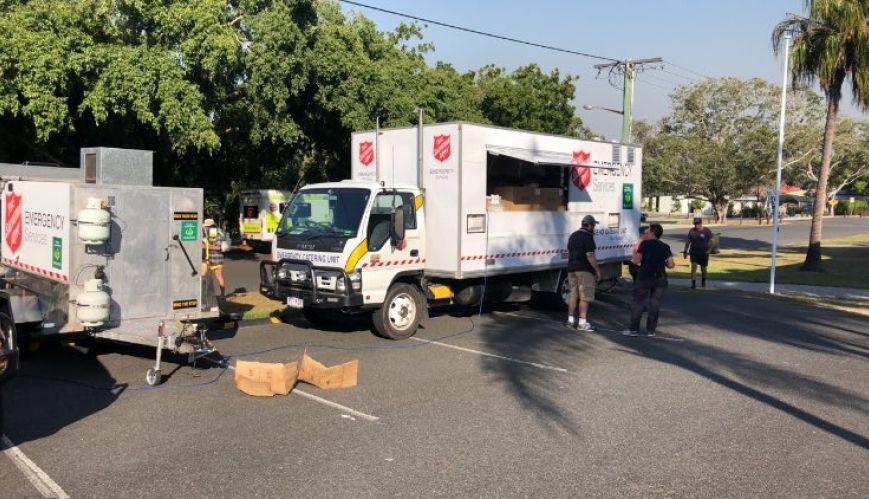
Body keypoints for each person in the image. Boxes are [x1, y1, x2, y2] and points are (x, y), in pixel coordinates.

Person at [624, 223, 675, 337]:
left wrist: (631, 261)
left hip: (645, 277)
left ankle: (634, 329)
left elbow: (637, 261)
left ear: (652, 232)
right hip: (660, 278)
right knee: (655, 304)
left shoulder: (645, 244)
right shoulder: (665, 246)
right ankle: (651, 330)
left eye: (648, 230)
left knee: (638, 302)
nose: (646, 232)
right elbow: (671, 264)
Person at [566, 215, 601, 332]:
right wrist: (597, 270)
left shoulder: (573, 235)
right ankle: (582, 322)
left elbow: (570, 251)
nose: (594, 228)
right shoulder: (588, 237)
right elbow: (590, 255)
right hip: (584, 270)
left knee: (573, 294)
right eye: (594, 225)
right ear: (590, 225)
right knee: (585, 296)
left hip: (571, 269)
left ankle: (570, 320)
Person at [683, 217, 714, 289]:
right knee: (694, 267)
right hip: (694, 252)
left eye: (697, 224)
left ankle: (703, 281)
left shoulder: (706, 230)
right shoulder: (691, 231)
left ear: (701, 223)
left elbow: (712, 240)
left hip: (704, 253)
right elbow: (688, 241)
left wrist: (709, 250)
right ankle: (693, 284)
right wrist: (685, 251)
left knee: (703, 269)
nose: (696, 225)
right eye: (695, 224)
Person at [202, 219, 226, 297]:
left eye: (207, 227)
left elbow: (218, 247)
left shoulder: (215, 233)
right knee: (205, 277)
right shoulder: (210, 233)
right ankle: (208, 295)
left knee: (218, 277)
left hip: (216, 259)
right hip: (209, 259)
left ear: (211, 226)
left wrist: (206, 246)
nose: (206, 228)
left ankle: (222, 294)